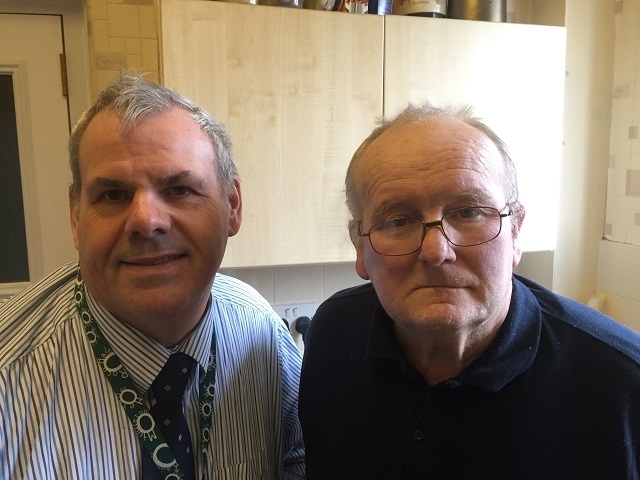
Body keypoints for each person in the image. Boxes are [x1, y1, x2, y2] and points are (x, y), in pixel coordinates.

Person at [298, 101, 640, 479]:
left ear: (515, 231)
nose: (436, 251)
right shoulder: (333, 332)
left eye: (468, 212)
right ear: (359, 246)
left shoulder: (623, 384)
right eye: (398, 220)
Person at [0, 72, 305, 479]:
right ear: (76, 216)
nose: (146, 221)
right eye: (113, 195)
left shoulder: (262, 333)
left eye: (179, 189)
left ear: (231, 206)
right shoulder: (9, 376)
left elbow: (297, 461)